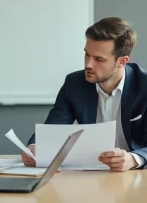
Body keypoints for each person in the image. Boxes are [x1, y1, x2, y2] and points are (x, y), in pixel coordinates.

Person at [22, 17, 147, 171]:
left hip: (135, 176)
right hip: (90, 173)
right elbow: (52, 129)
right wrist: (35, 147)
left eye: (98, 59)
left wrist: (133, 159)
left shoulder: (143, 85)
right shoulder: (74, 83)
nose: (88, 64)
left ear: (122, 61)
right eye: (87, 54)